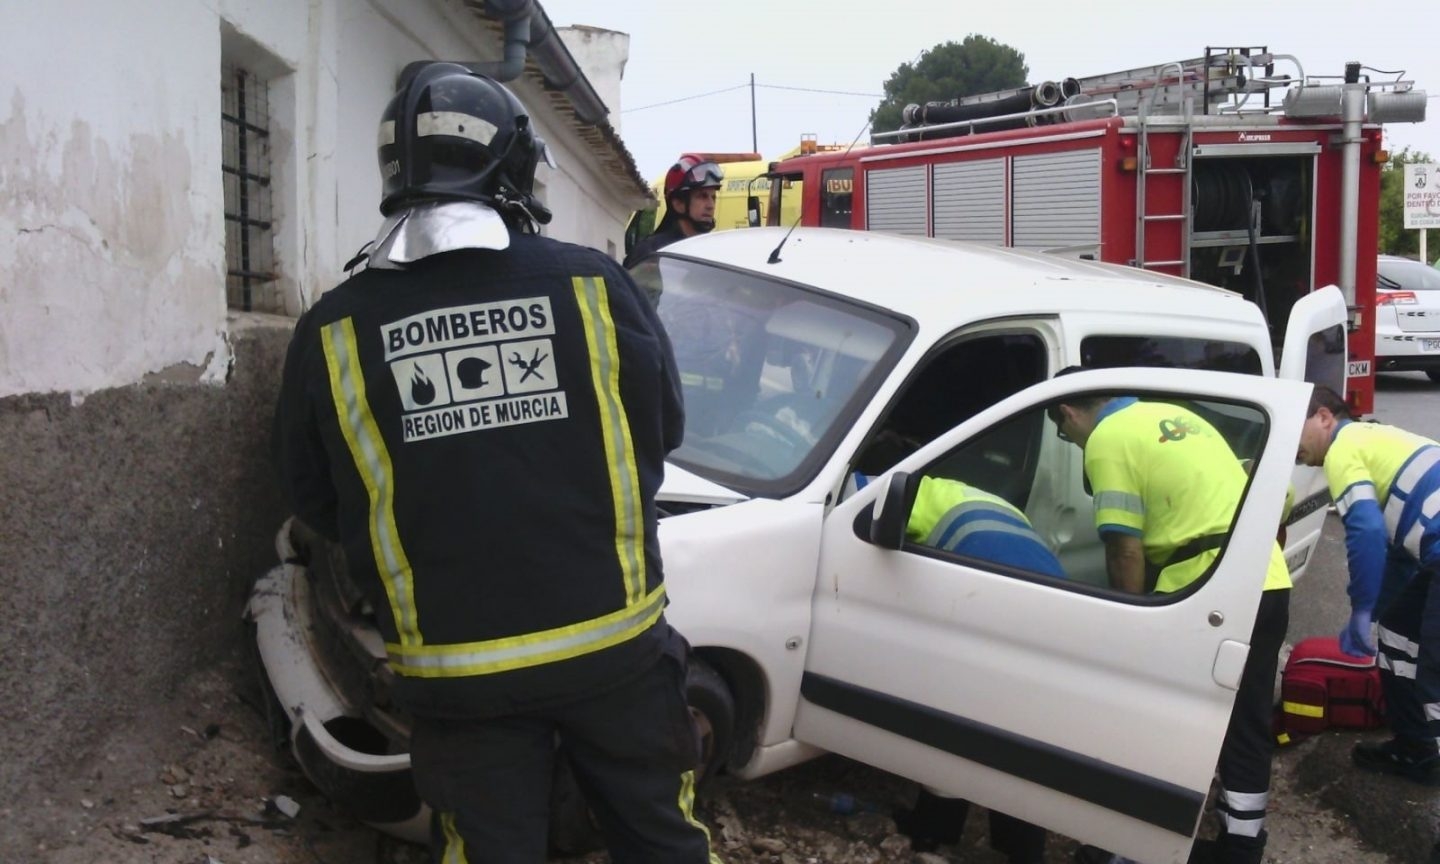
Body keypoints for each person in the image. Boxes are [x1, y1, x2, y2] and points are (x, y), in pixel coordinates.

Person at [272, 63, 718, 864]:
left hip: (455, 673)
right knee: (662, 842)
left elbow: (316, 499)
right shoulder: (592, 285)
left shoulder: (333, 330)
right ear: (511, 169)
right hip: (615, 655)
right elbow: (663, 432)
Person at [1050, 381, 1290, 864]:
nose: (1070, 444)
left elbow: (1124, 544)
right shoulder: (1177, 416)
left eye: (1063, 433)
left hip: (1205, 583)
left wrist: (1131, 622)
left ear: (1068, 412)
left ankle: (1131, 848)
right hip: (1267, 576)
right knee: (1246, 718)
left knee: (1164, 719)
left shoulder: (1107, 437)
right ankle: (1242, 846)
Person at [891, 475, 1060, 863]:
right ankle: (1019, 850)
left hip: (1005, 614)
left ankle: (932, 835)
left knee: (956, 727)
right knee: (1021, 739)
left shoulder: (898, 498)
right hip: (1059, 610)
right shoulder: (971, 494)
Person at [1296, 384, 1440, 786]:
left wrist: (1360, 609)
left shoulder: (1344, 447)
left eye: (1295, 428)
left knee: (1436, 682)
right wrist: (1374, 613)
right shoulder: (1378, 442)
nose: (1291, 446)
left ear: (1325, 417)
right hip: (1433, 554)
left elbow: (1365, 529)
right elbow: (1396, 551)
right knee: (1398, 630)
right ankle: (1415, 747)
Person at [623, 153, 723, 267]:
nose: (711, 205)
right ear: (678, 204)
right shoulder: (651, 254)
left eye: (713, 197)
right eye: (702, 196)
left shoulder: (714, 252)